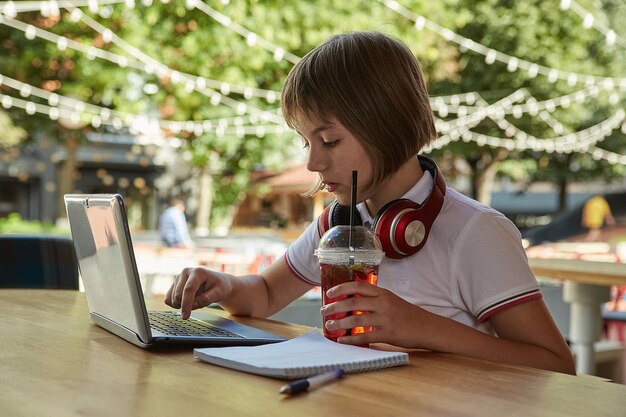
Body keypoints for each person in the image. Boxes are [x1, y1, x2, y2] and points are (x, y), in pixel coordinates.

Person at [165, 32, 575, 375]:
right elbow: (266, 294)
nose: (313, 162)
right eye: (306, 143)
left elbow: (557, 366)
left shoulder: (475, 231)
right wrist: (224, 284)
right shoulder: (341, 223)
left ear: (388, 123)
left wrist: (423, 328)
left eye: (329, 141)